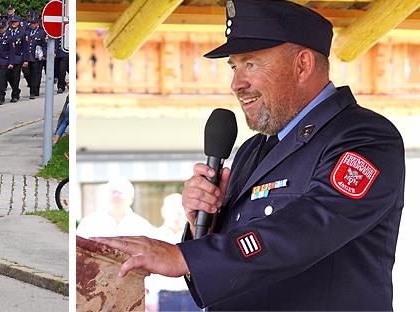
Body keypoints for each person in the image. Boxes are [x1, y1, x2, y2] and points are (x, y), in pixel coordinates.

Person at [96, 1, 405, 310]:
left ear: (303, 65)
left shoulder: (364, 138)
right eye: (234, 66)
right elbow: (241, 265)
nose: (236, 84)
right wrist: (203, 225)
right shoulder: (252, 150)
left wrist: (185, 257)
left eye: (251, 64)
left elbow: (310, 227)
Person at [144, 194, 200, 312]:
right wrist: (149, 299)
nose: (176, 217)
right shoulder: (154, 237)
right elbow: (147, 270)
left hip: (192, 297)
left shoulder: (194, 237)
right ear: (163, 212)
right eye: (172, 212)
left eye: (179, 213)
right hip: (164, 298)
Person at [75, 177, 152, 238]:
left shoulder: (142, 226)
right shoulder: (89, 223)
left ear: (131, 198)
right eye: (112, 192)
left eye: (120, 192)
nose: (116, 195)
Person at [24, 18, 47, 100]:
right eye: (31, 23)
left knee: (36, 75)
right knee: (26, 73)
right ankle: (32, 86)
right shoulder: (27, 32)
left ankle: (33, 91)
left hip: (36, 57)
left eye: (34, 23)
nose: (32, 25)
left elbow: (44, 44)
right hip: (27, 56)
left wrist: (45, 54)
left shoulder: (41, 33)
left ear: (37, 24)